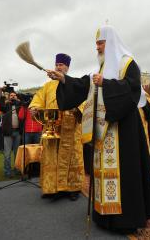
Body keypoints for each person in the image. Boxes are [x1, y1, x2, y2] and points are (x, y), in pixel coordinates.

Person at [47, 25, 150, 233]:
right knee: (103, 173)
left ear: (111, 43)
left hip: (124, 128)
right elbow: (85, 85)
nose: (97, 48)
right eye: (96, 44)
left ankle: (126, 220)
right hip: (105, 129)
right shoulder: (101, 68)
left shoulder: (127, 63)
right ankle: (105, 216)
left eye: (100, 43)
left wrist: (106, 84)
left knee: (126, 174)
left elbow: (133, 89)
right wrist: (63, 78)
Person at [29, 53, 84, 201]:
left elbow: (83, 101)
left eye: (61, 65)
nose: (58, 67)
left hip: (70, 128)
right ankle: (51, 188)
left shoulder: (74, 83)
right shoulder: (47, 86)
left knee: (72, 158)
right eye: (57, 65)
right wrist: (34, 107)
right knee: (51, 157)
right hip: (51, 128)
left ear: (67, 67)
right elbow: (38, 99)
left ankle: (73, 188)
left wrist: (77, 109)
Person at [0, 91, 22, 177]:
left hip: (17, 131)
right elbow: (1, 106)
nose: (13, 97)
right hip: (8, 132)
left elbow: (24, 104)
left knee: (17, 153)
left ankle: (17, 169)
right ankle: (7, 171)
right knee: (7, 153)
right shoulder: (6, 105)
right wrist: (2, 97)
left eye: (14, 95)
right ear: (8, 97)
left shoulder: (19, 105)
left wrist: (18, 99)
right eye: (11, 95)